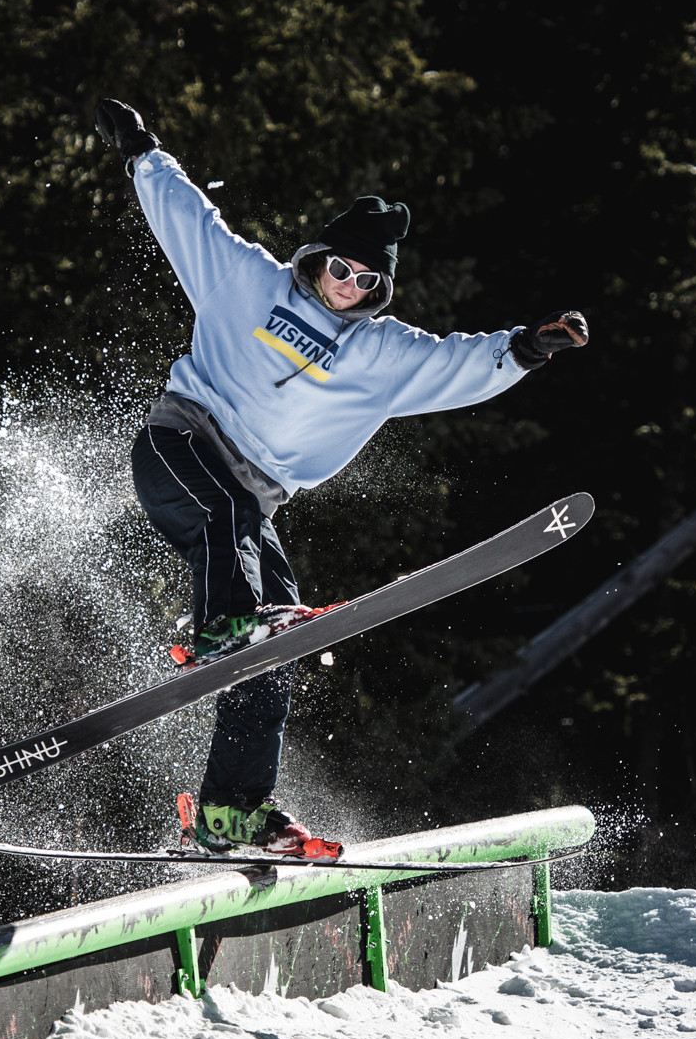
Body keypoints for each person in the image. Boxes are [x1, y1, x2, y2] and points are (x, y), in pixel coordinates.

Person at [92, 98, 588, 855]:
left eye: (365, 280)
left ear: (379, 290)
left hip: (256, 500)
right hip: (179, 446)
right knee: (229, 528)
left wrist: (526, 348)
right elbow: (185, 217)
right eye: (339, 268)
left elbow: (459, 362)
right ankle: (222, 625)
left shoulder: (381, 353)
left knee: (275, 651)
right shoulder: (246, 280)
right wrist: (141, 151)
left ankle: (231, 810)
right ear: (317, 259)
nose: (347, 285)